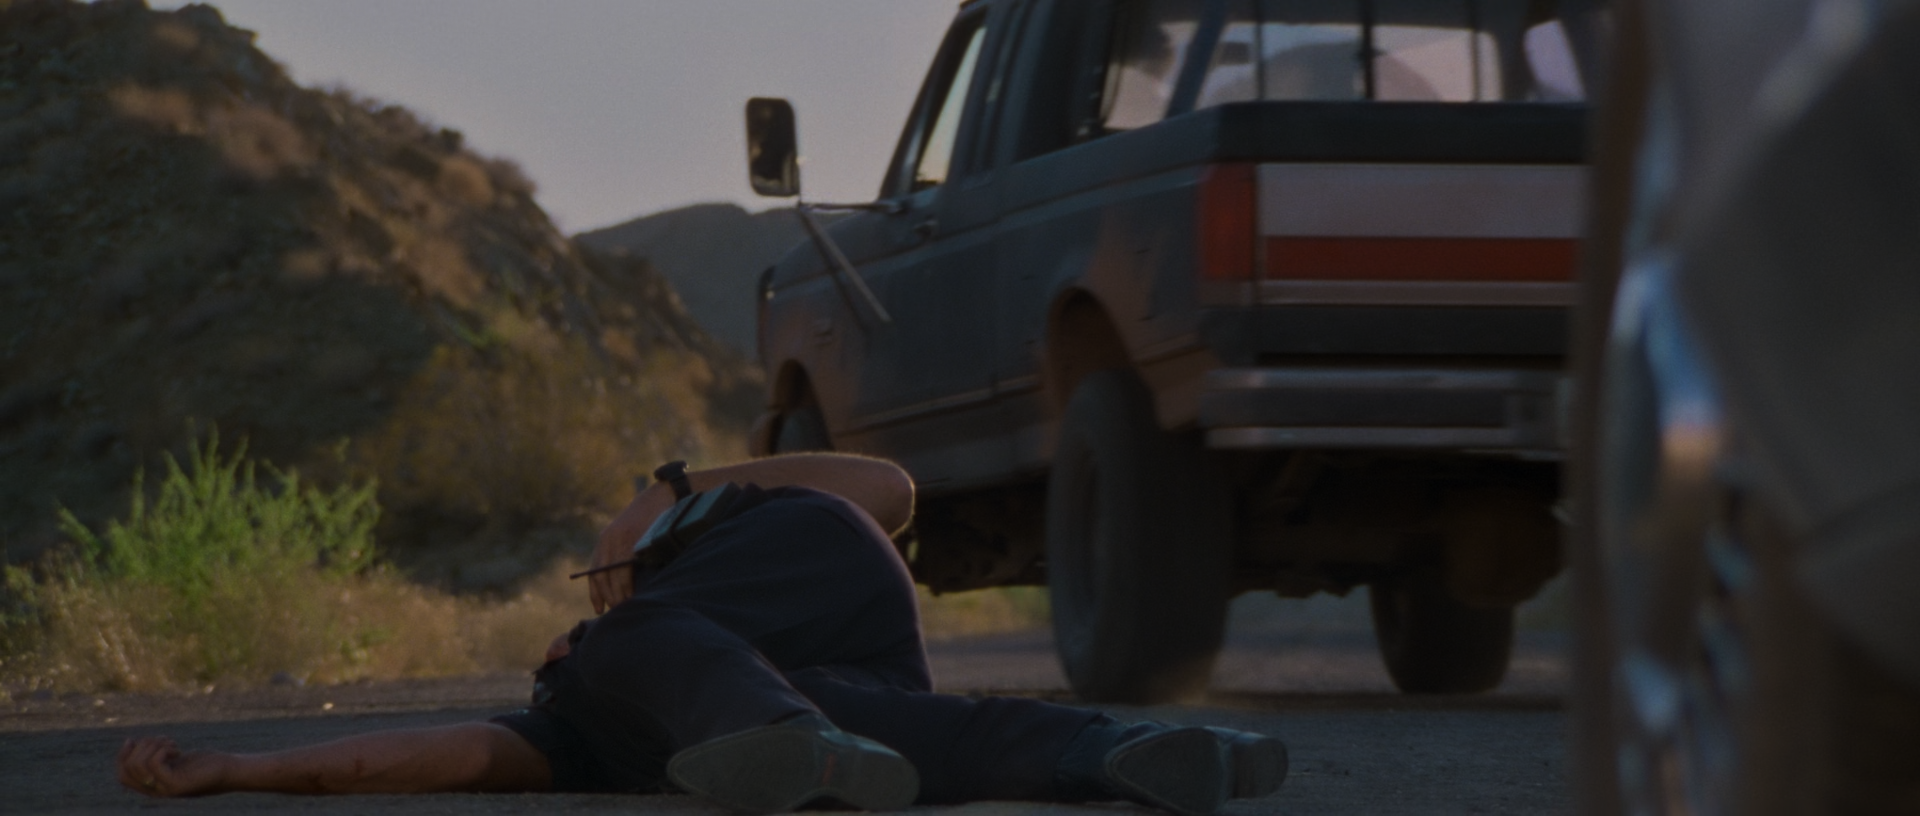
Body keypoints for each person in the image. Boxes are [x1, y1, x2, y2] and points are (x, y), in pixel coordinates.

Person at [116, 453, 1288, 814]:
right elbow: (440, 755)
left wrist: (677, 490)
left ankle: (793, 740)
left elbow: (887, 487)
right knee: (934, 738)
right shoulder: (585, 717)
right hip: (843, 678)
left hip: (791, 602)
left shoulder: (665, 584)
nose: (582, 615)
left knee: (652, 648)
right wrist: (244, 770)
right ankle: (1122, 750)